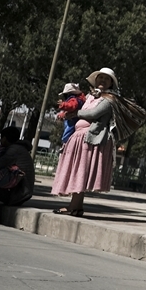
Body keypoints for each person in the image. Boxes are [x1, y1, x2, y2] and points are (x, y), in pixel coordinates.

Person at [50, 68, 118, 217]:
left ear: (111, 83)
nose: (102, 81)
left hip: (91, 139)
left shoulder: (109, 99)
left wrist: (76, 113)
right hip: (80, 138)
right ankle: (76, 207)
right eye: (100, 78)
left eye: (106, 79)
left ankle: (74, 207)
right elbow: (79, 108)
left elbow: (93, 114)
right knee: (78, 172)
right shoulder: (90, 97)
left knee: (81, 172)